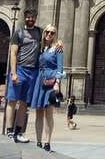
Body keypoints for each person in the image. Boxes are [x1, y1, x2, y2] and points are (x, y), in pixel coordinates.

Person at [6, 8, 42, 144]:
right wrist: (13, 72)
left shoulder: (39, 32)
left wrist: (59, 44)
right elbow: (13, 53)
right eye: (28, 17)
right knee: (12, 100)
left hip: (32, 71)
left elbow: (51, 38)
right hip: (20, 70)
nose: (30, 19)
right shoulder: (18, 33)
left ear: (36, 18)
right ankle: (10, 131)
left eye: (33, 17)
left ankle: (19, 132)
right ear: (25, 18)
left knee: (24, 103)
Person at [30, 23, 65, 153]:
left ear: (55, 35)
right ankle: (38, 141)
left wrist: (57, 82)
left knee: (48, 113)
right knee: (39, 112)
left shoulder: (58, 49)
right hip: (40, 81)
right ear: (44, 33)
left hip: (50, 82)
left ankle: (47, 142)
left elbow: (60, 68)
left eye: (52, 33)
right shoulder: (41, 48)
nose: (49, 34)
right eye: (47, 32)